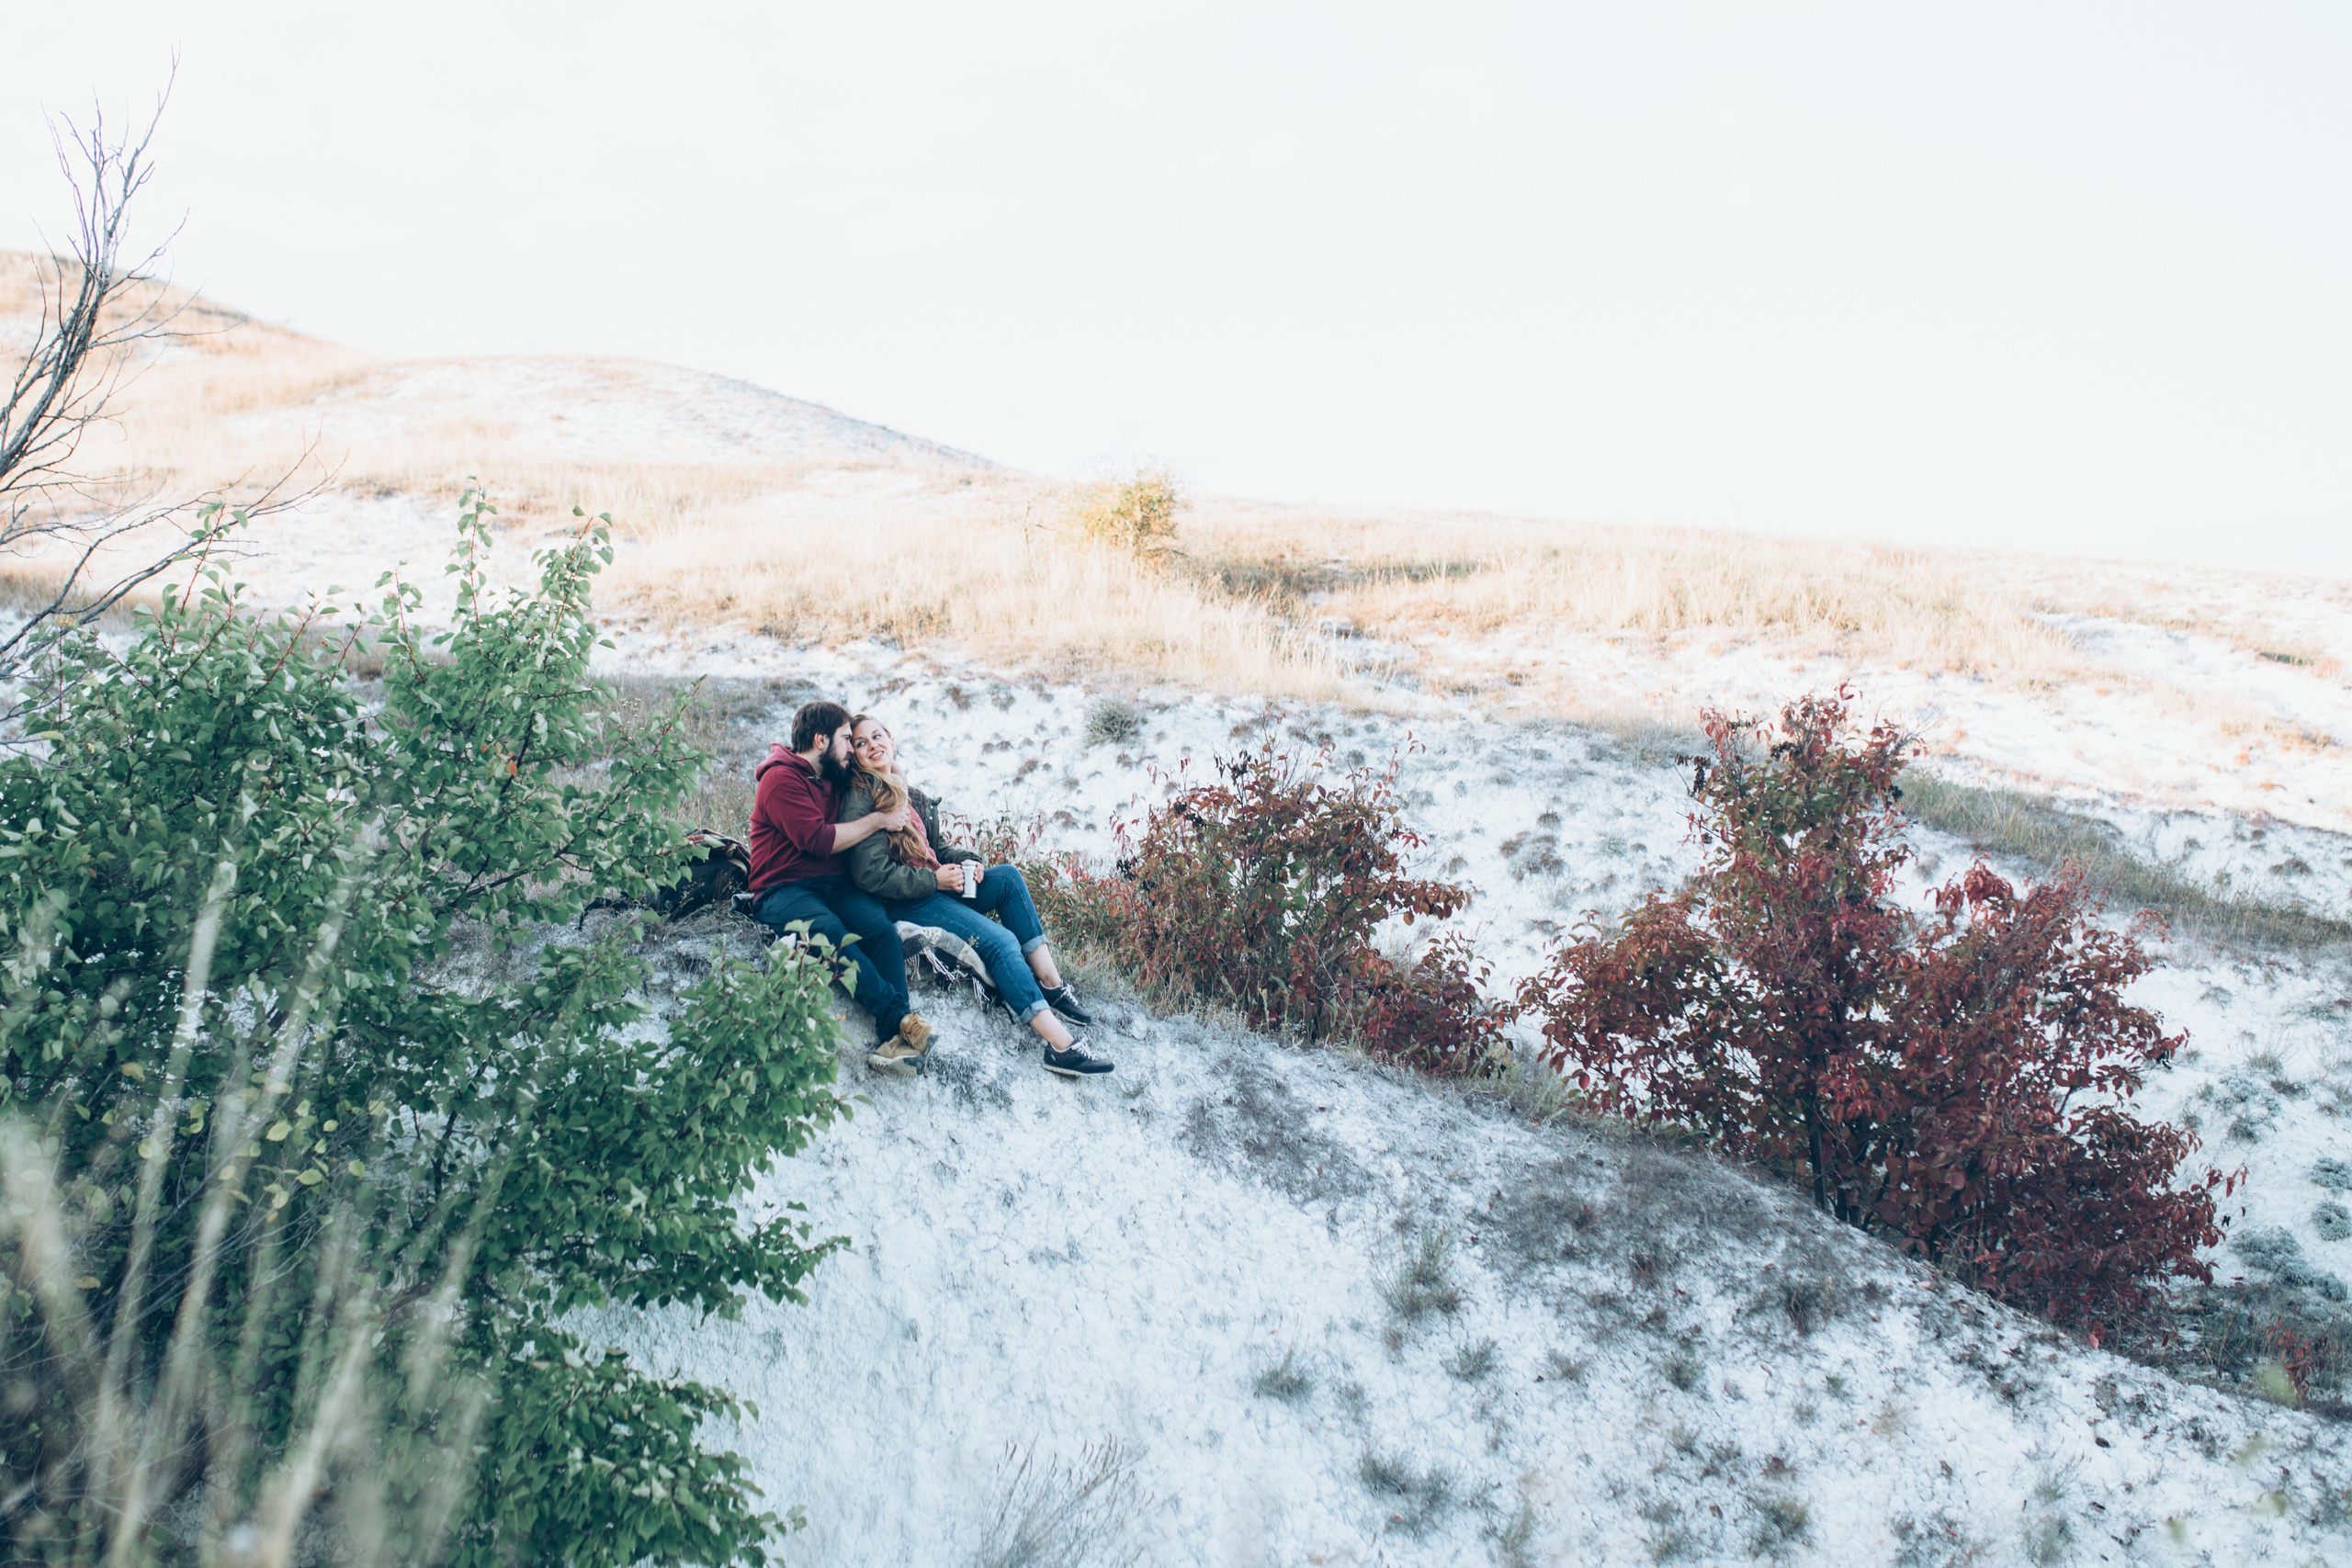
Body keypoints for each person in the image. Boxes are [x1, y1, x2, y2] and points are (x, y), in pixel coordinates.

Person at [841, 713, 1115, 1079]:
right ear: (854, 755)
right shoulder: (862, 795)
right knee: (1000, 942)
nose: (872, 745)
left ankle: (1051, 985)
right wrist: (934, 882)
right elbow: (870, 874)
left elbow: (933, 848)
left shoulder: (902, 786)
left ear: (892, 741)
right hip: (909, 900)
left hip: (933, 883)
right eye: (861, 743)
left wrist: (966, 861)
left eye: (877, 736)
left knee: (1007, 880)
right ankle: (1061, 1047)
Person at [748, 700, 936, 1075]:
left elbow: (886, 771)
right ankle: (901, 1018)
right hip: (783, 889)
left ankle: (892, 1043)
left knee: (879, 929)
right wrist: (880, 820)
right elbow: (817, 840)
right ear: (821, 740)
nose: (853, 748)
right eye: (847, 740)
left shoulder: (833, 775)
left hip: (834, 885)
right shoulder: (779, 779)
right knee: (832, 933)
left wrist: (893, 769)